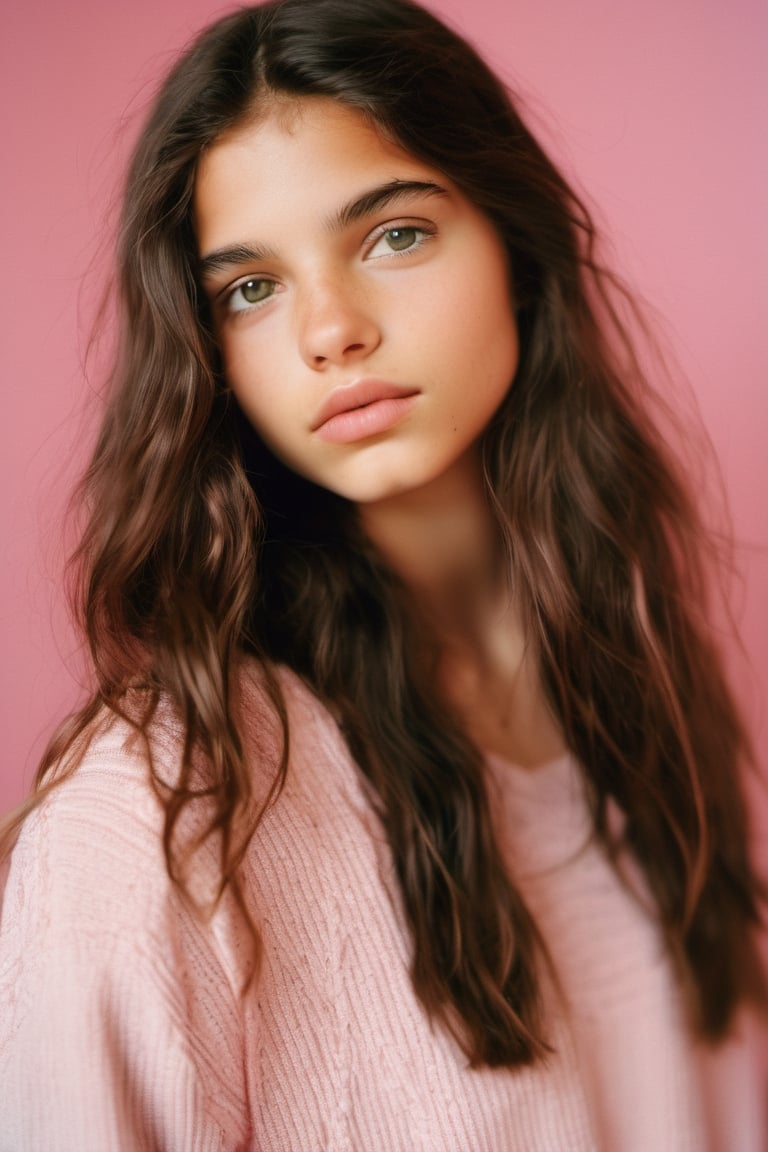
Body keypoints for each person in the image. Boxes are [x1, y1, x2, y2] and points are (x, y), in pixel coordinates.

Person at [0, 0, 765, 1147]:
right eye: (248, 289)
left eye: (393, 234)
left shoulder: (644, 690)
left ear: (517, 245)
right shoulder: (158, 821)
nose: (330, 329)